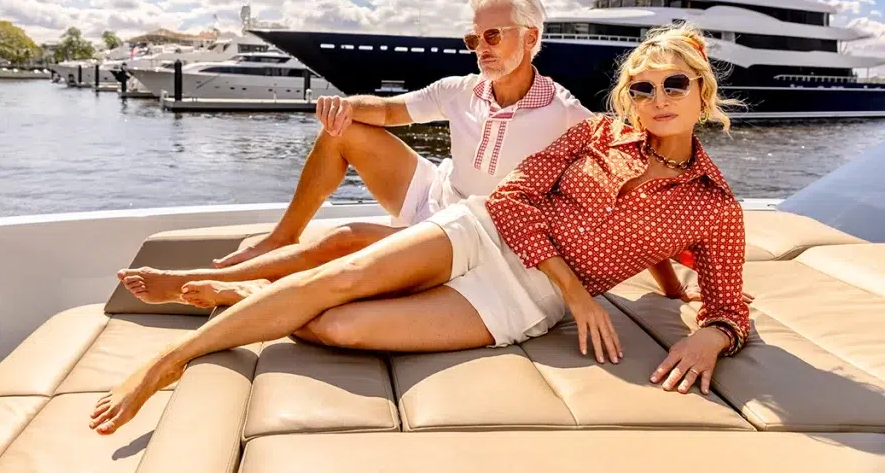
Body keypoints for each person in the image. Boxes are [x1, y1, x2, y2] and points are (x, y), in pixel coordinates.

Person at [90, 23, 751, 435]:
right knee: (341, 272)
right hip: (485, 230)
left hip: (522, 300)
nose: (657, 98)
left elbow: (727, 301)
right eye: (642, 87)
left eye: (673, 84)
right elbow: (517, 197)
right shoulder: (594, 135)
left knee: (341, 324)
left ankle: (245, 297)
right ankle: (166, 362)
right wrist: (577, 293)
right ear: (627, 97)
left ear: (702, 90)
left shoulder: (715, 206)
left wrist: (711, 340)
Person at [117, 0, 594, 304]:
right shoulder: (459, 89)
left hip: (470, 233)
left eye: (493, 34)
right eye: (473, 37)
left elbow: (625, 176)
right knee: (343, 131)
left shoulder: (567, 115)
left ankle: (241, 288)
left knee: (346, 240)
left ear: (530, 37)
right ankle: (284, 234)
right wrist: (343, 105)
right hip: (436, 196)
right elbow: (389, 111)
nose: (480, 47)